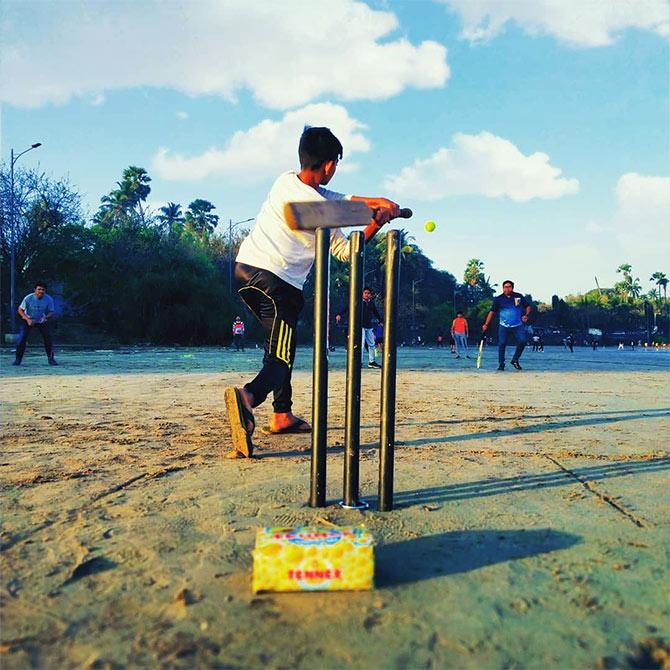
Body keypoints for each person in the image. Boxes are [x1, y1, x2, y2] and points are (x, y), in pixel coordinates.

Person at [224, 126, 400, 457]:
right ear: (330, 164)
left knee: (280, 347)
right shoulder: (318, 207)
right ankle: (248, 397)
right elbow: (344, 241)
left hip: (244, 272)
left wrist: (377, 211)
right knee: (279, 356)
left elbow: (343, 203)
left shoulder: (285, 181)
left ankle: (282, 414)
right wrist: (376, 217)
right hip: (278, 285)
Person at [482, 280, 531, 371]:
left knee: (523, 341)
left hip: (517, 325)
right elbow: (492, 312)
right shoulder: (498, 299)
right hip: (503, 326)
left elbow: (528, 306)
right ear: (502, 288)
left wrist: (526, 315)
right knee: (502, 343)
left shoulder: (518, 297)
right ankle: (501, 364)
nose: (507, 289)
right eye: (505, 287)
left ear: (512, 288)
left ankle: (515, 359)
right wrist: (486, 324)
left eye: (509, 287)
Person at [13, 281, 58, 366]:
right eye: (39, 289)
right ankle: (18, 359)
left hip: (41, 320)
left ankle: (51, 359)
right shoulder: (28, 298)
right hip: (28, 320)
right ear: (35, 290)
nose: (41, 291)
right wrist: (27, 319)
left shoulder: (49, 299)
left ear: (45, 291)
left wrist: (45, 318)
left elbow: (51, 311)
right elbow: (20, 310)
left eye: (43, 290)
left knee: (48, 338)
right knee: (21, 339)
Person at [362, 287, 382, 368]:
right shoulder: (359, 302)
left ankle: (372, 361)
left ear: (370, 295)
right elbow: (348, 308)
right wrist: (340, 314)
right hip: (361, 325)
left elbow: (376, 312)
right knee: (362, 344)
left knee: (372, 344)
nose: (367, 295)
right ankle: (359, 362)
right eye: (365, 293)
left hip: (369, 326)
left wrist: (380, 320)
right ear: (363, 294)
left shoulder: (371, 303)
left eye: (368, 293)